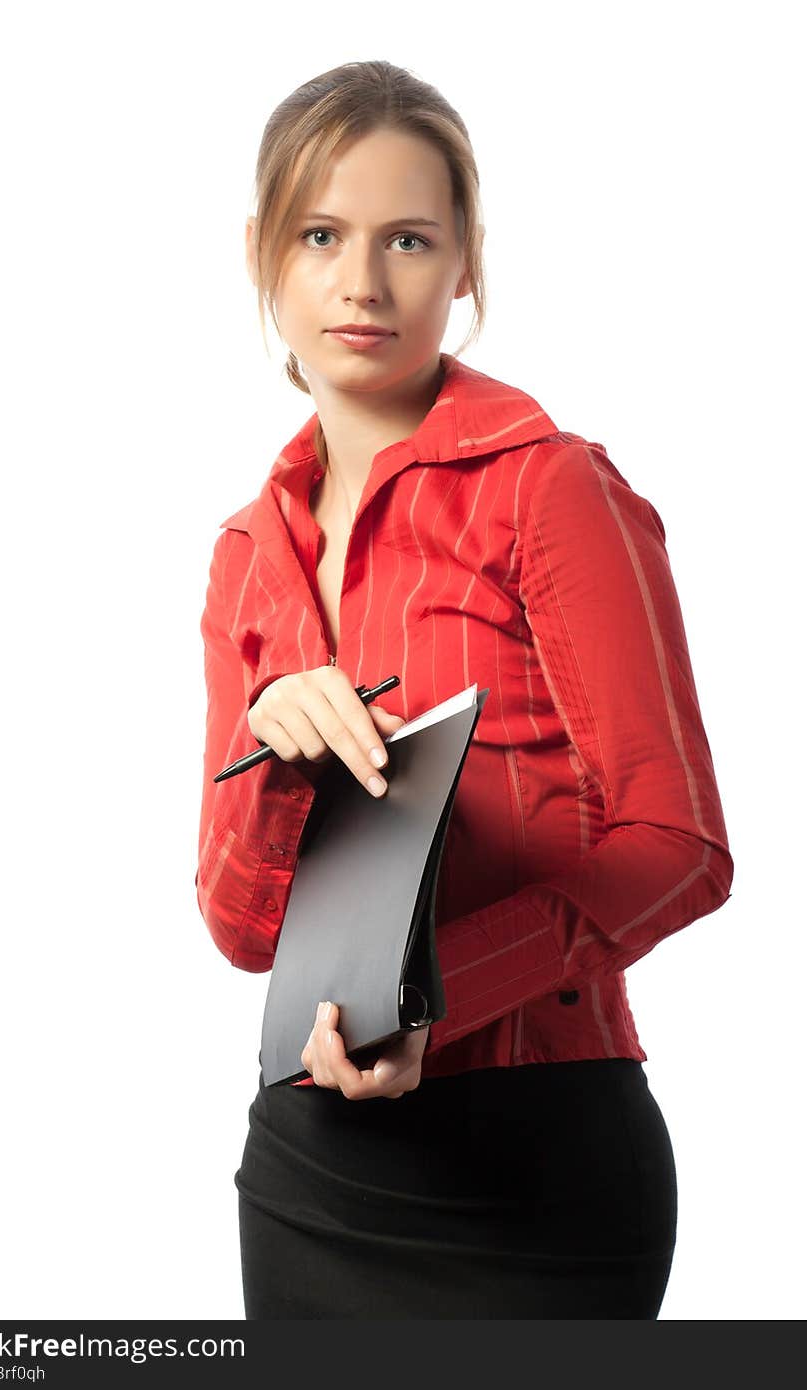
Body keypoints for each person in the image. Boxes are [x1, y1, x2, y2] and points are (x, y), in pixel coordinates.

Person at [195, 60, 734, 1319]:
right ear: (264, 255)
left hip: (535, 1159)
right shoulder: (243, 553)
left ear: (466, 264)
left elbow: (684, 845)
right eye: (321, 234)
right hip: (310, 1167)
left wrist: (435, 999)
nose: (361, 281)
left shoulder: (550, 488)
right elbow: (235, 931)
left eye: (409, 239)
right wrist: (276, 776)